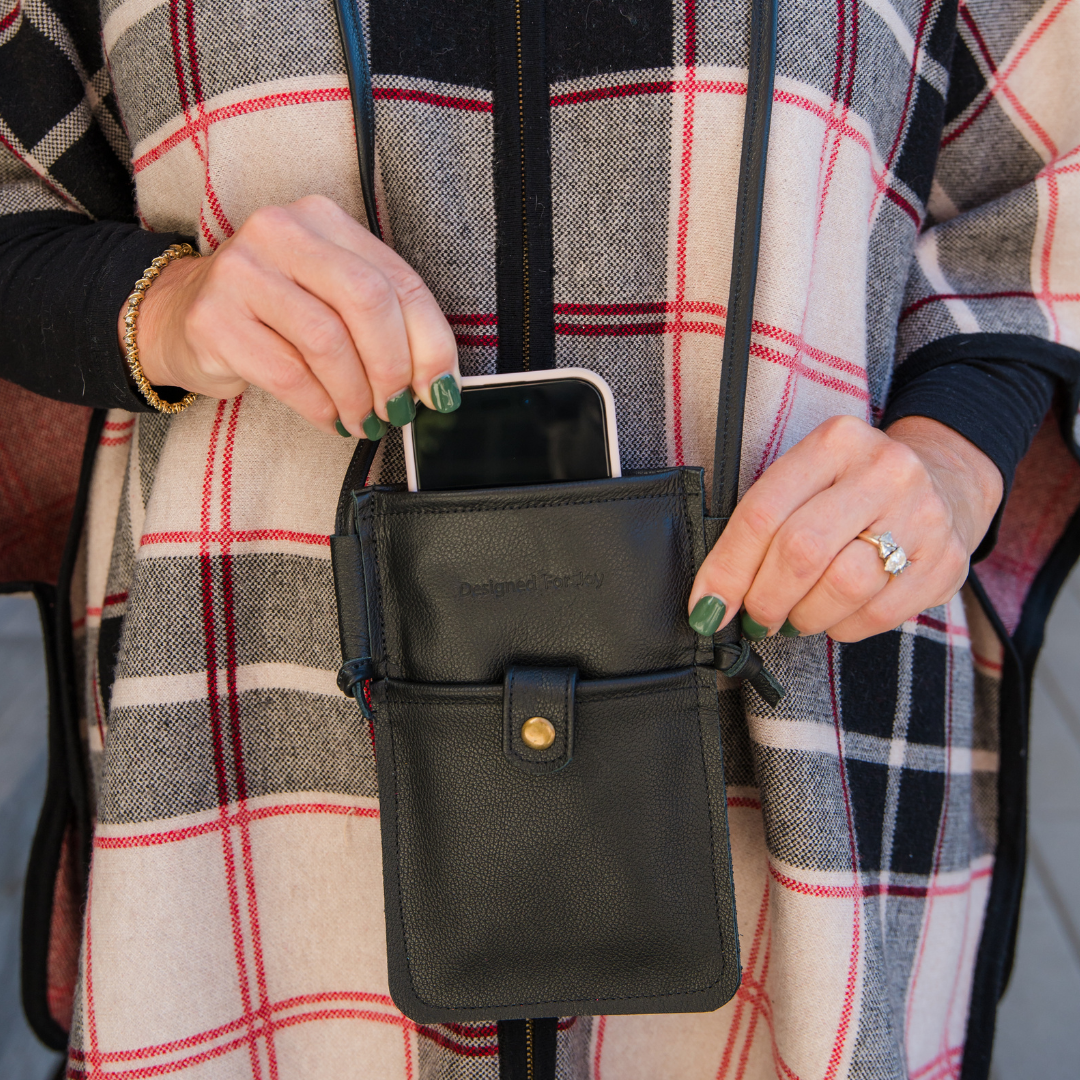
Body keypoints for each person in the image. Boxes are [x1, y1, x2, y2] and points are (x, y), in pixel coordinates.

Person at [0, 0, 1077, 1076]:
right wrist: (171, 303)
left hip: (793, 719)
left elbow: (1036, 182)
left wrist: (954, 457)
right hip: (270, 753)